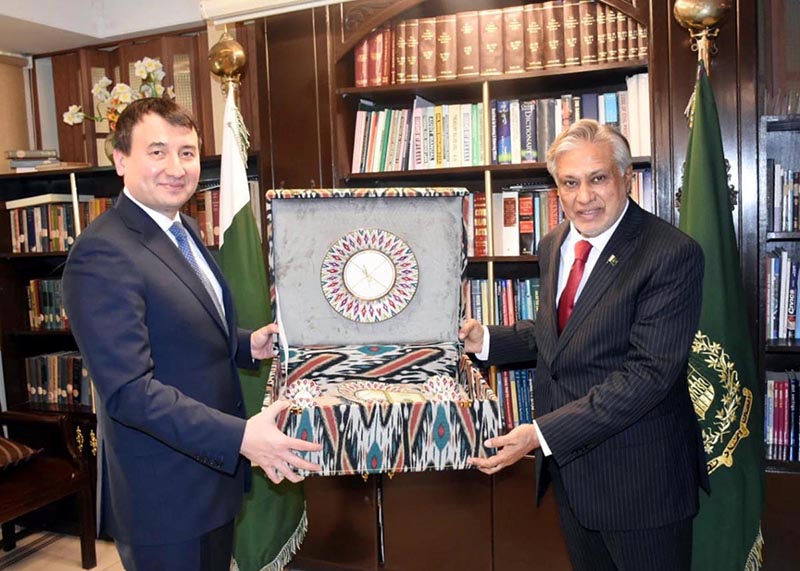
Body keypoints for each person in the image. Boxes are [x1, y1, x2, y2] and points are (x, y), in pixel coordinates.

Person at [62, 97, 321, 571]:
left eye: (187, 152)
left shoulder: (180, 229)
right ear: (120, 161)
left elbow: (181, 326)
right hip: (166, 501)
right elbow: (129, 392)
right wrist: (241, 437)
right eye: (157, 152)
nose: (176, 168)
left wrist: (246, 343)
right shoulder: (102, 254)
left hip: (212, 482)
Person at [460, 119, 709, 571]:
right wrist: (487, 340)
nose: (584, 197)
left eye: (598, 179)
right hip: (573, 477)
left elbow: (648, 377)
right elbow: (557, 334)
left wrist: (541, 434)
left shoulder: (671, 253)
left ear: (626, 177)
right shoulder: (554, 243)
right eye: (569, 183)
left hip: (642, 484)